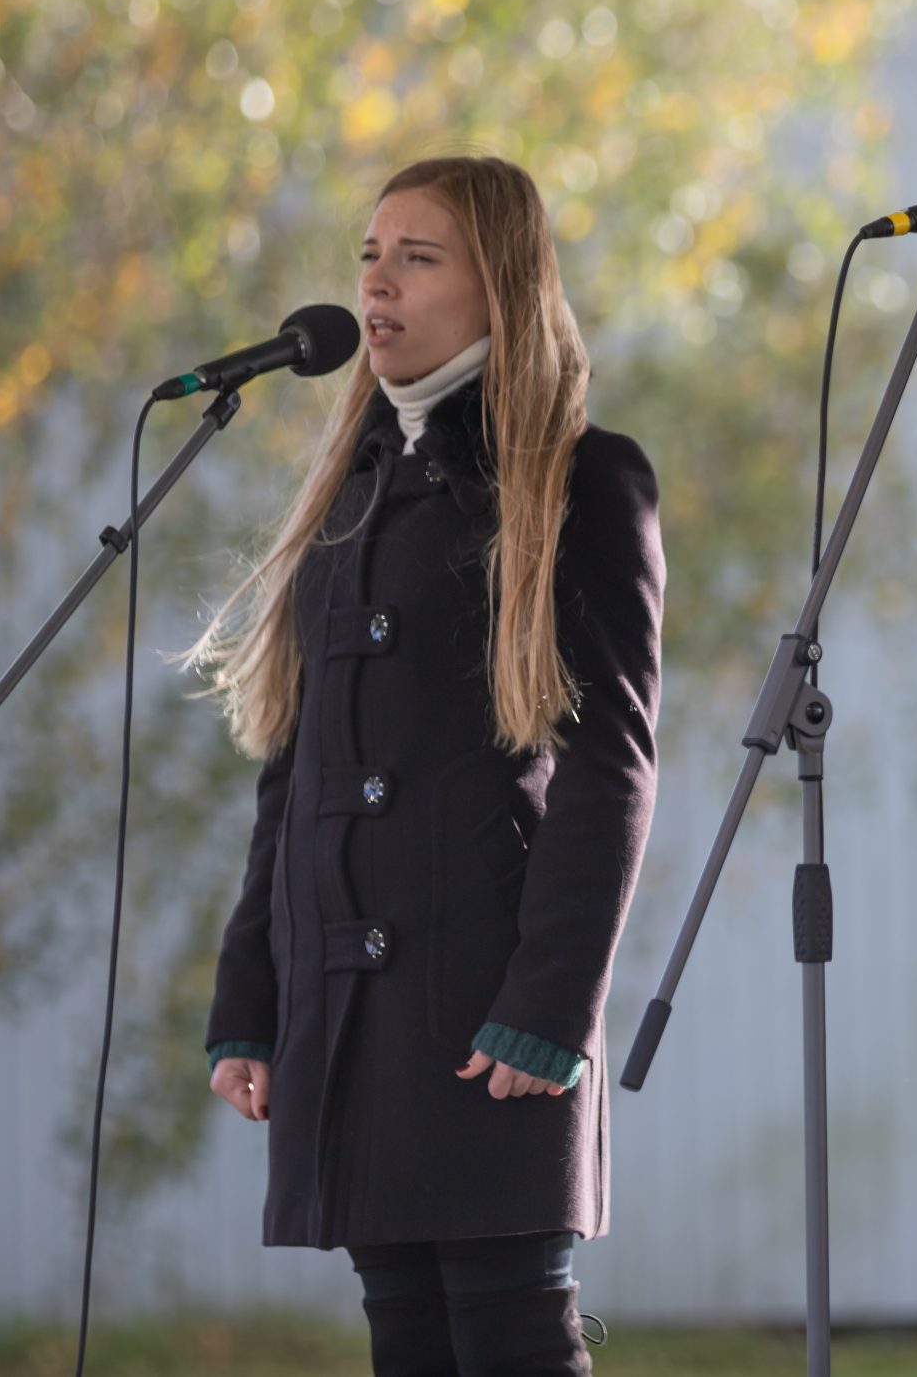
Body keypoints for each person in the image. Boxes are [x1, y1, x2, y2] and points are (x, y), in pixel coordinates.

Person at [192, 156, 663, 1376]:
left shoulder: (582, 480)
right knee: (405, 1338)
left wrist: (551, 1006)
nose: (377, 283)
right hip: (353, 1011)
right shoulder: (348, 492)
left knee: (513, 1339)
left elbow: (611, 768)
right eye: (369, 256)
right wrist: (252, 1000)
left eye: (417, 257)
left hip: (485, 1003)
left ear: (499, 285)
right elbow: (294, 773)